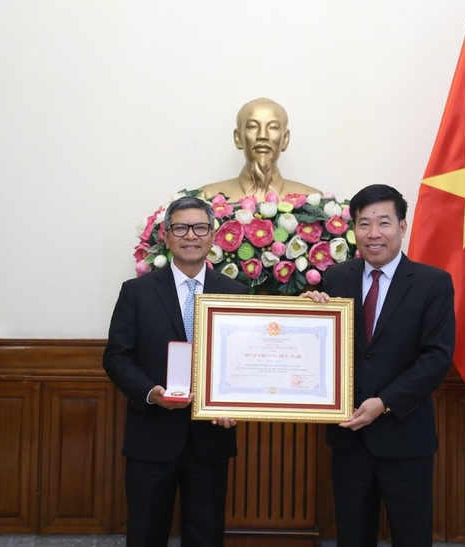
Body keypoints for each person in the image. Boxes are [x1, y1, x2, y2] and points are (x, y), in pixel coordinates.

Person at [302, 184, 455, 546]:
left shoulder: (432, 283)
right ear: (353, 229)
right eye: (364, 223)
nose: (374, 234)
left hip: (405, 437)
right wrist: (308, 315)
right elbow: (325, 348)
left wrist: (383, 403)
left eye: (384, 222)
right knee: (352, 537)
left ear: (403, 227)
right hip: (349, 438)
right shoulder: (336, 278)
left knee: (411, 536)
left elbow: (436, 358)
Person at [103, 195, 248, 547]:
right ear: (166, 236)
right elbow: (117, 357)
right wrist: (152, 393)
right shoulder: (136, 292)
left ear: (213, 236)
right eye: (180, 227)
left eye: (200, 227)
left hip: (210, 438)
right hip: (151, 437)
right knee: (146, 533)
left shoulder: (236, 293)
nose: (190, 236)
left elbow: (245, 363)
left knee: (206, 535)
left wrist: (236, 403)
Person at [198, 97, 320, 201]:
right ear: (238, 138)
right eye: (252, 127)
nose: (262, 135)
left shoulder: (313, 200)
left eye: (273, 127)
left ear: (285, 139)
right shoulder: (206, 198)